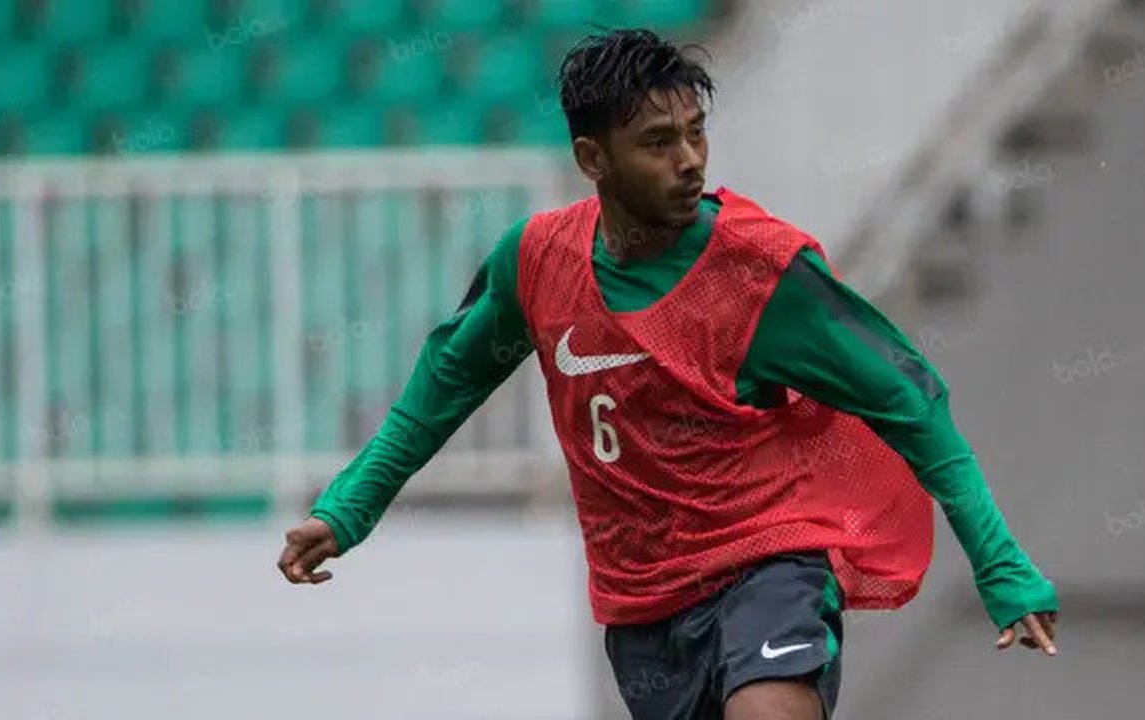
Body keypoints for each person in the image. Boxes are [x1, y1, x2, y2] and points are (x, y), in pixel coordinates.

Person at [277, 28, 1059, 720]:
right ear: (593, 159)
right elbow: (441, 392)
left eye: (695, 133)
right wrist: (349, 510)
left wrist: (1001, 566)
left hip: (768, 560)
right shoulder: (538, 262)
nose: (688, 161)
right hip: (643, 603)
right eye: (657, 142)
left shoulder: (759, 270)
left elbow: (910, 401)